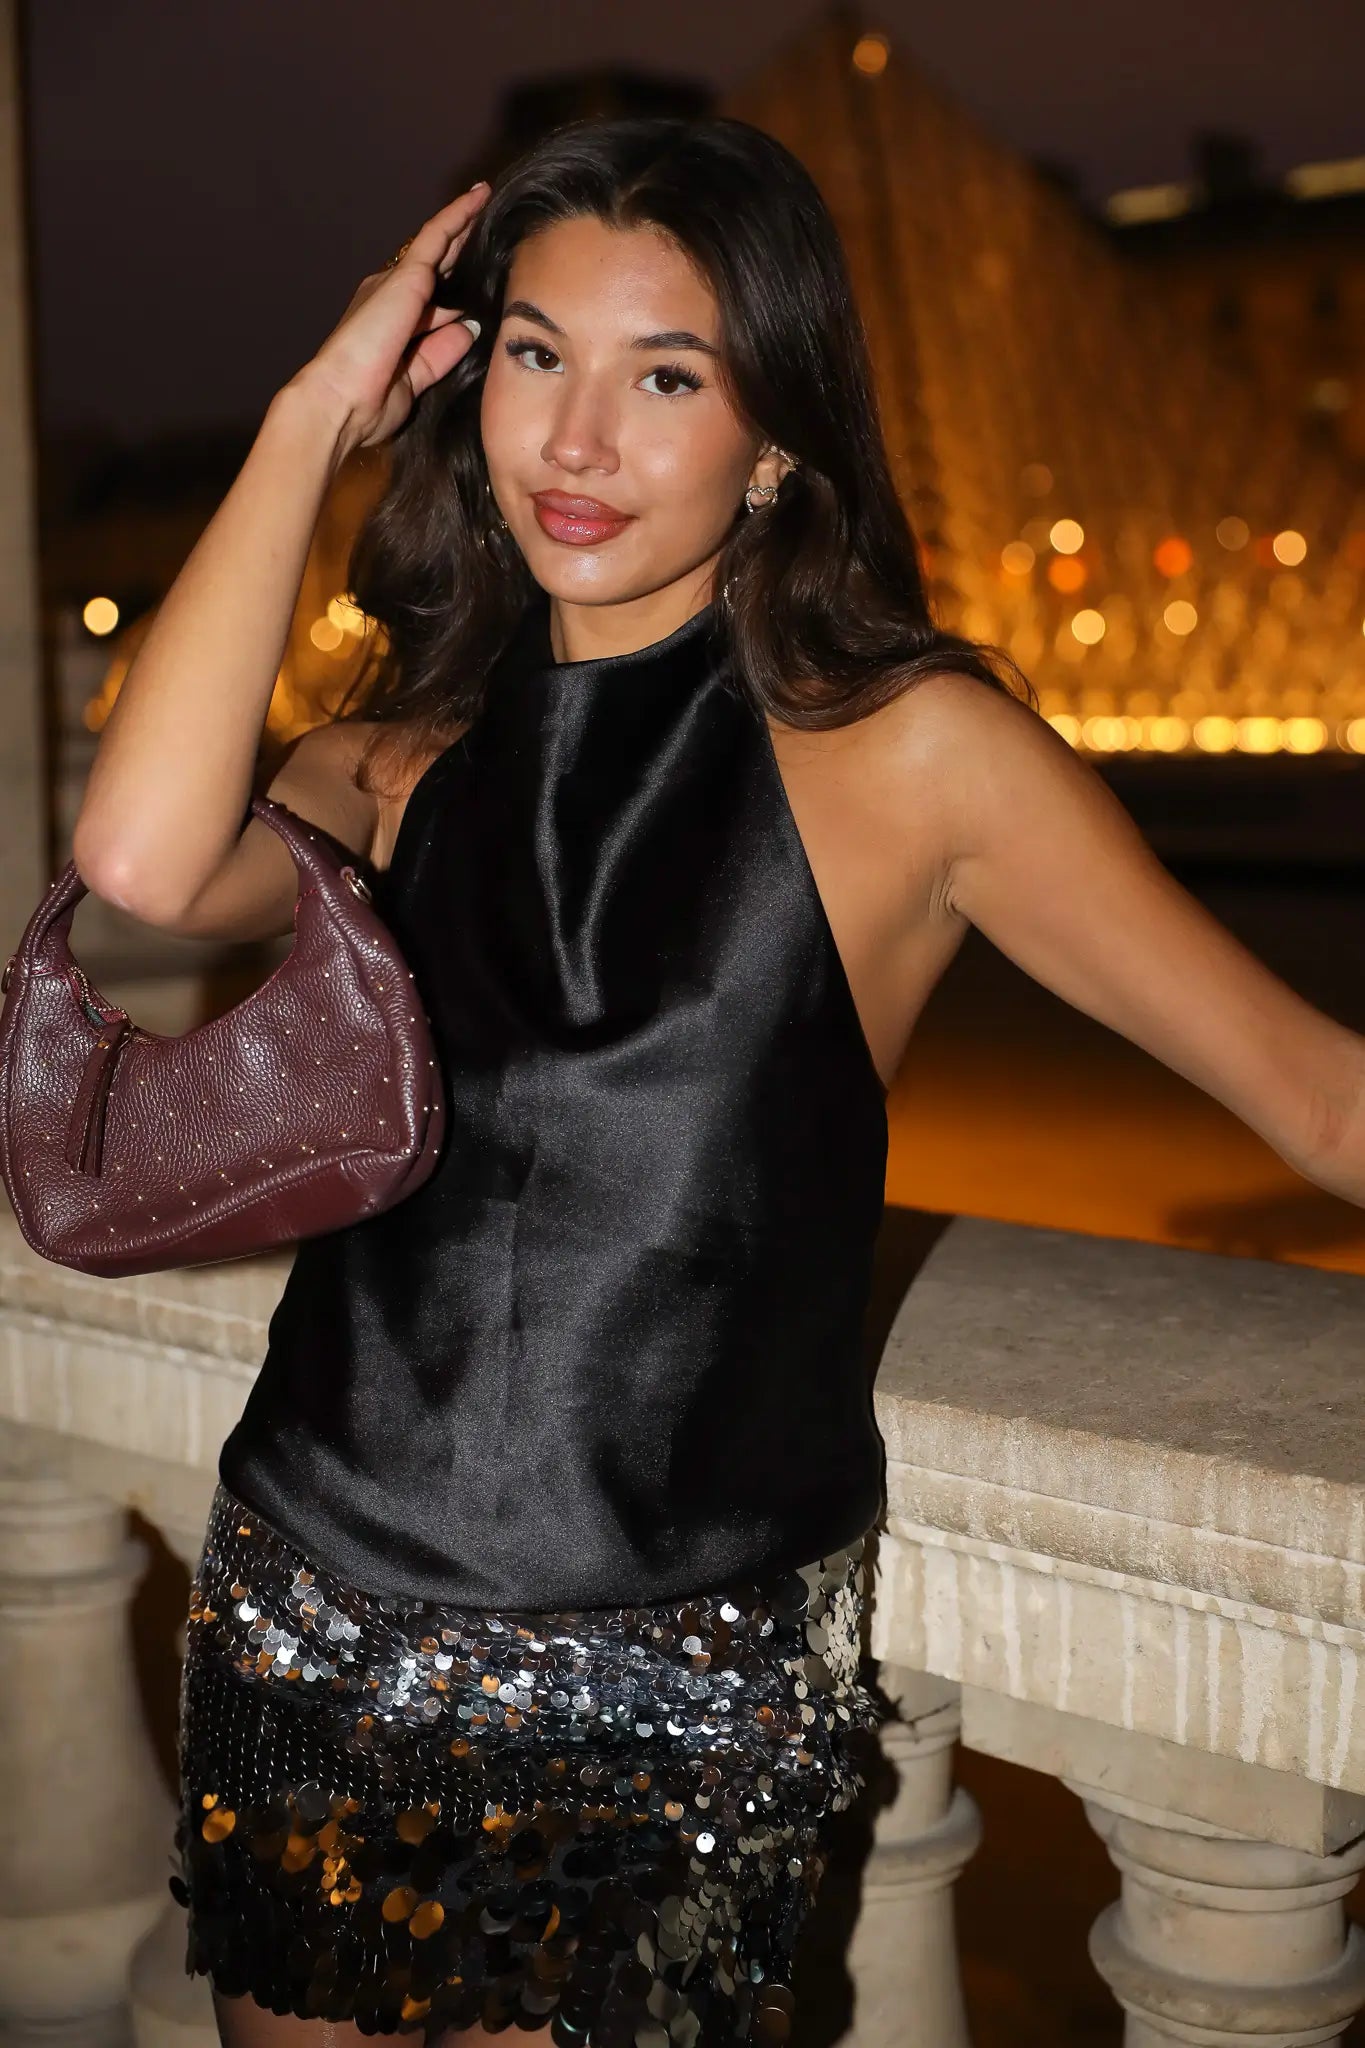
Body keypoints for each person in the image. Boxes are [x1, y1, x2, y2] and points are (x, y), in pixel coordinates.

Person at [72, 114, 1364, 2048]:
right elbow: (142, 867)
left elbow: (1321, 1100)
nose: (577, 440)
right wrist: (310, 414)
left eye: (664, 376)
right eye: (535, 354)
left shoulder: (913, 756)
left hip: (668, 1672)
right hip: (315, 1604)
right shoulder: (399, 757)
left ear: (772, 437)